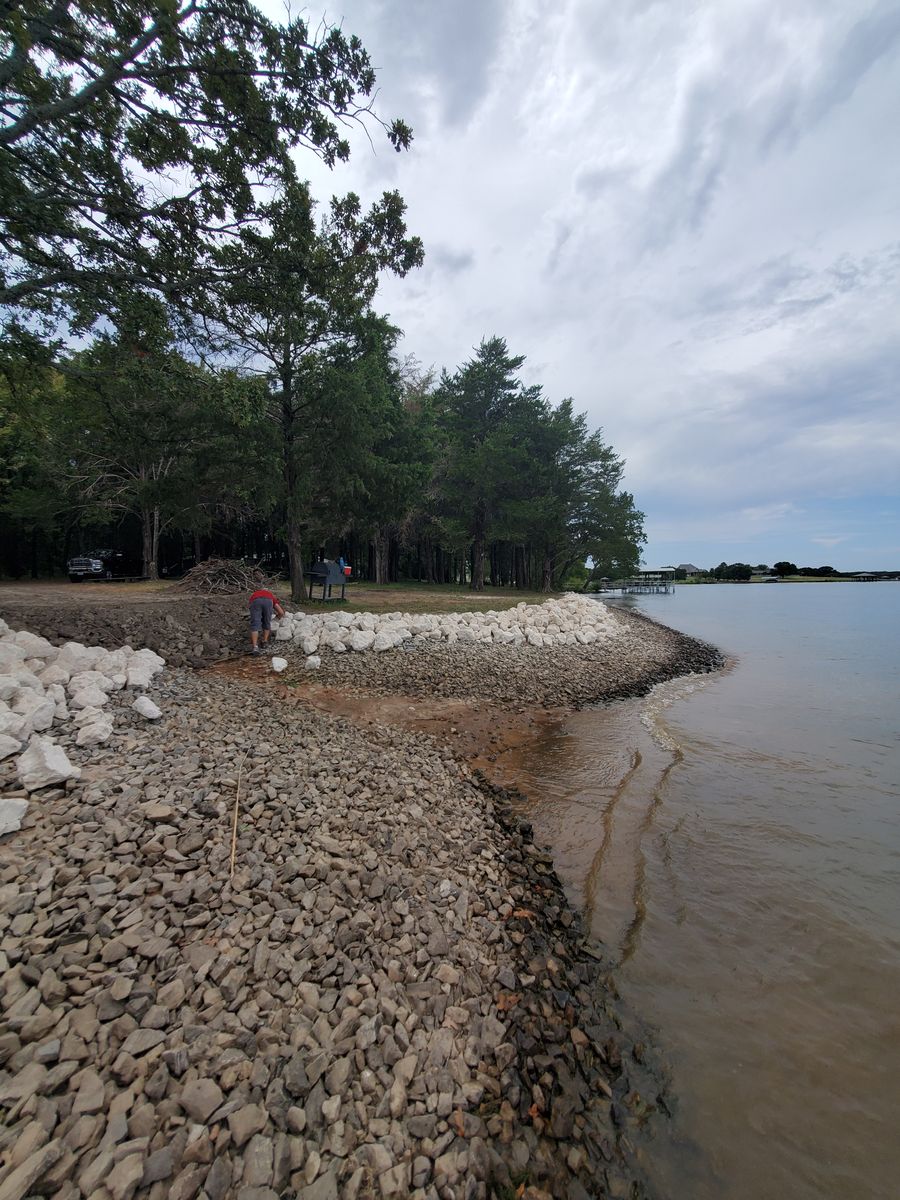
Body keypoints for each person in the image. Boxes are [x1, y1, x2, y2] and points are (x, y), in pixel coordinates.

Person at [248, 587, 285, 655]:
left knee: (255, 623)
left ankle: (255, 647)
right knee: (267, 622)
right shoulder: (270, 595)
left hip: (256, 601)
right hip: (268, 601)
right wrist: (276, 618)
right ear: (268, 591)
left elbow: (251, 607)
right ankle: (265, 642)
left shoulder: (255, 594)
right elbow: (281, 612)